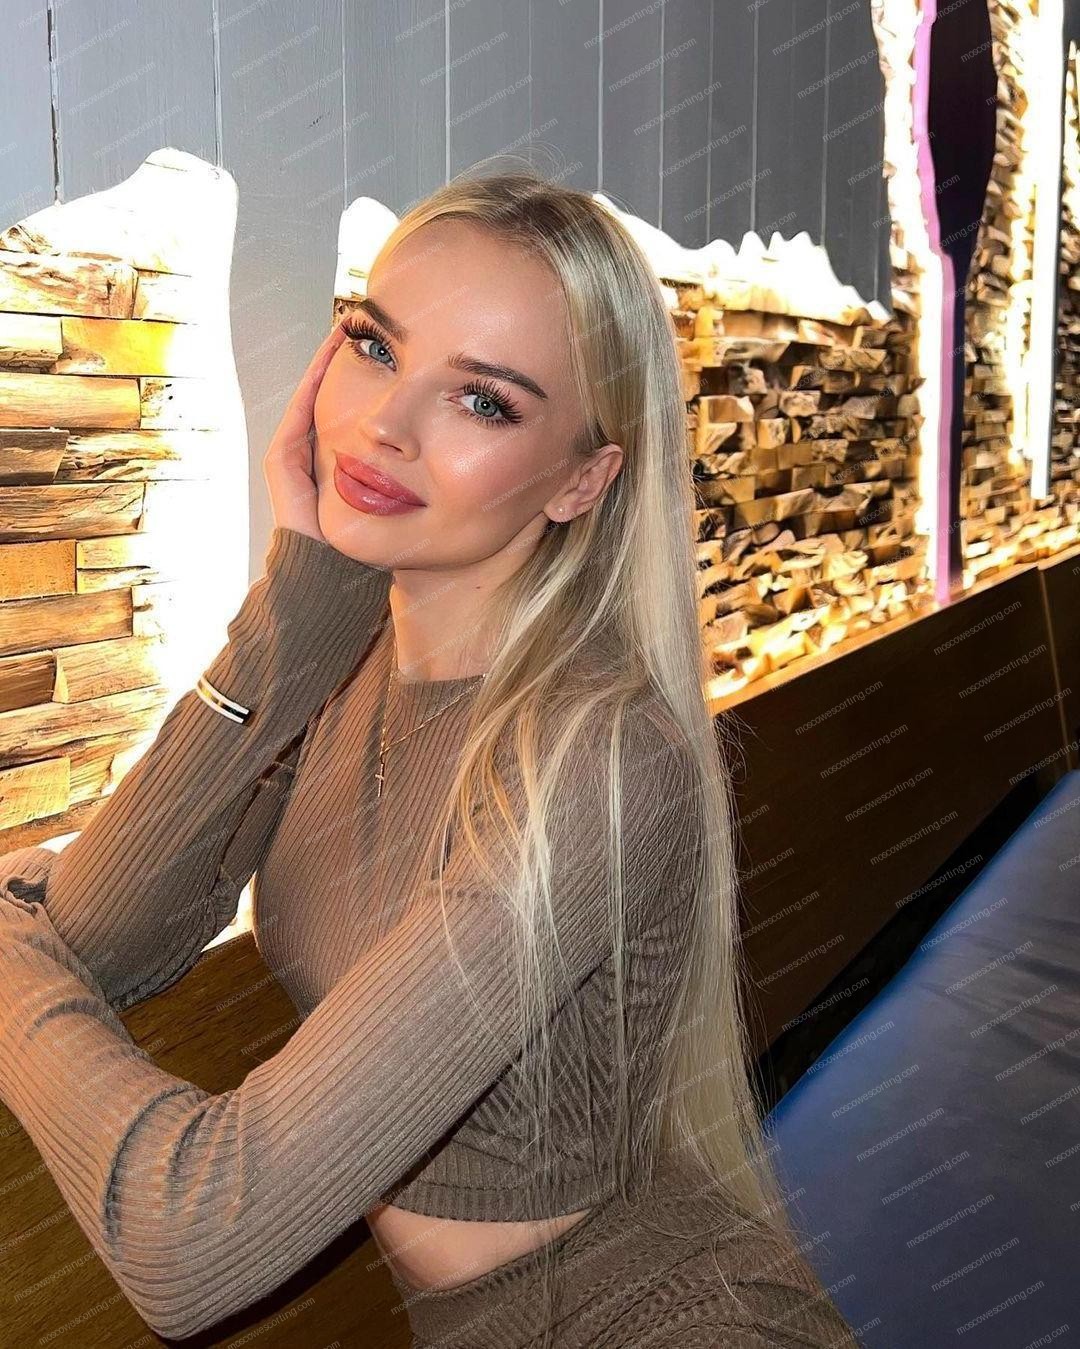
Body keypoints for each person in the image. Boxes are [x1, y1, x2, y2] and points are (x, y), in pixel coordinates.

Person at [0, 165, 859, 1347]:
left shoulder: (601, 758)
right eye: (375, 344)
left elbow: (189, 1244)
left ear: (582, 479)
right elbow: (102, 939)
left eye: (484, 402)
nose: (384, 425)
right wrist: (299, 600)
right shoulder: (348, 649)